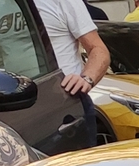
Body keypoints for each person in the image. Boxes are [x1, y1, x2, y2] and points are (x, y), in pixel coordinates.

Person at [31, 0, 111, 148]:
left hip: (65, 105)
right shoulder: (0, 4)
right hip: (19, 109)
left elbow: (99, 50)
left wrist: (86, 79)